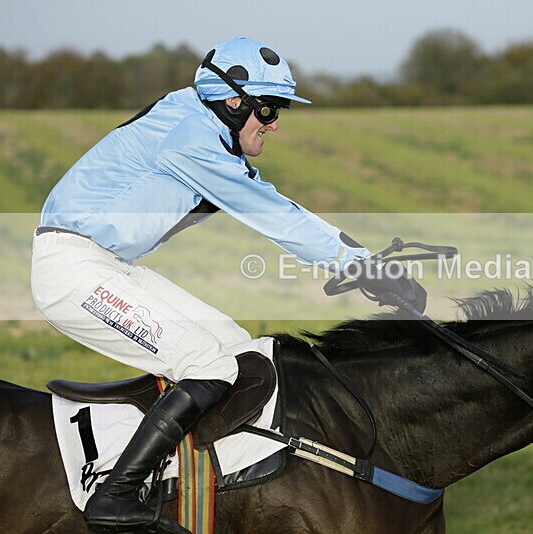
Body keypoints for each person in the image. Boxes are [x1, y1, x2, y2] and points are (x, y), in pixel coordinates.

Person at [31, 36, 425, 533]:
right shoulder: (191, 137)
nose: (276, 121)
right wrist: (367, 267)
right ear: (233, 102)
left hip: (106, 264)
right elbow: (276, 216)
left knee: (241, 354)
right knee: (209, 364)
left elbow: (270, 202)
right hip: (72, 270)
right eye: (270, 108)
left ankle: (210, 488)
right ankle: (116, 494)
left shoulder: (202, 125)